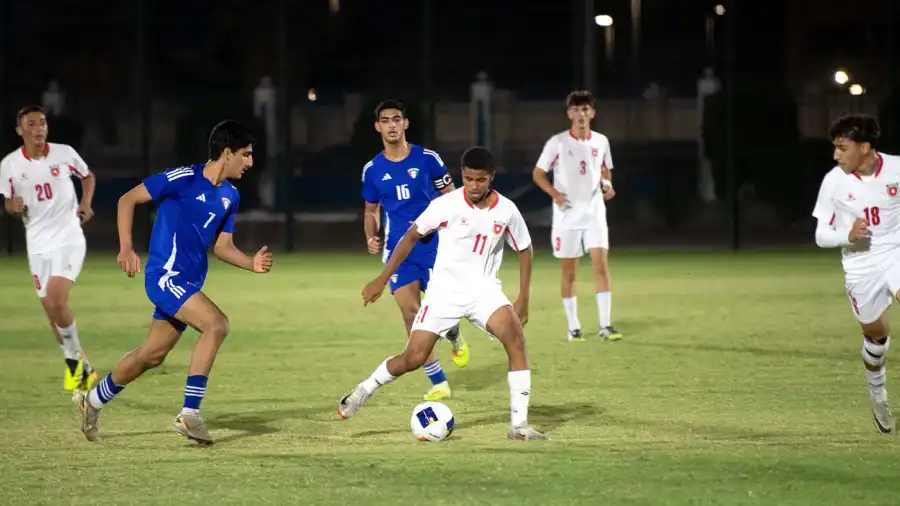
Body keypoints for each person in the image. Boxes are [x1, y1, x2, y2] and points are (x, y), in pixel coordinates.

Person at [74, 120, 273, 445]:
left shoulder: (230, 196)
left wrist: (250, 263)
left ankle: (92, 400)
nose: (250, 162)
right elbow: (127, 199)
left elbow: (222, 246)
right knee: (217, 324)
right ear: (227, 152)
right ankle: (190, 413)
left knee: (152, 355)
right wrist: (126, 247)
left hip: (188, 284)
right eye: (246, 154)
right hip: (165, 277)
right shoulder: (183, 179)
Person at [341, 146, 550, 441]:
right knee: (413, 357)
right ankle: (366, 389)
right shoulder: (446, 205)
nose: (474, 186)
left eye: (480, 180)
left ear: (491, 178)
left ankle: (519, 425)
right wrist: (381, 278)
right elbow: (411, 235)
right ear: (461, 175)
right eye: (468, 179)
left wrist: (523, 299)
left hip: (484, 291)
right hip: (444, 293)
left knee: (515, 338)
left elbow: (526, 249)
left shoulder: (507, 210)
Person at [361, 99, 468, 401]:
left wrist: (441, 224)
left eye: (397, 119)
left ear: (406, 123)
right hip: (400, 251)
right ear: (378, 127)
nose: (392, 125)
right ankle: (439, 382)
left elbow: (452, 196)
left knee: (443, 313)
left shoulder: (428, 159)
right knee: (412, 314)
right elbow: (371, 210)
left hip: (434, 247)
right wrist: (371, 235)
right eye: (386, 120)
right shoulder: (372, 170)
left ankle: (455, 335)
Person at [0, 105, 98, 391]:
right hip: (37, 246)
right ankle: (79, 366)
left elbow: (88, 176)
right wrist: (12, 206)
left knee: (56, 299)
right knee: (52, 313)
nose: (39, 128)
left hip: (68, 238)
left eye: (42, 123)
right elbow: (6, 201)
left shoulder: (64, 153)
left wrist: (85, 203)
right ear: (20, 131)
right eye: (31, 124)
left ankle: (79, 369)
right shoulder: (9, 165)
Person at [813, 114, 899, 434]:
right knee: (876, 339)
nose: (836, 155)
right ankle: (878, 393)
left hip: (896, 253)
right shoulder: (834, 182)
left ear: (865, 147)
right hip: (861, 266)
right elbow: (821, 235)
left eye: (842, 147)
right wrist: (846, 236)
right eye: (835, 148)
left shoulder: (897, 169)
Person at [532, 90, 622, 342]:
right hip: (566, 215)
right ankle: (574, 327)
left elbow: (605, 170)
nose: (581, 114)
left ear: (592, 113)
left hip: (594, 213)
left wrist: (607, 185)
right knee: (569, 272)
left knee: (601, 267)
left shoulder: (601, 141)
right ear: (569, 113)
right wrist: (553, 192)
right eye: (576, 109)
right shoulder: (558, 143)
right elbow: (538, 173)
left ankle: (605, 326)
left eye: (585, 110)